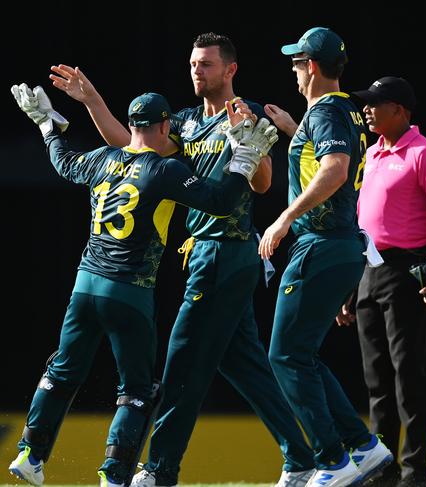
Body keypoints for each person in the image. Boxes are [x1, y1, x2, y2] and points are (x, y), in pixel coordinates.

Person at [49, 32, 316, 487]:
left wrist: (244, 140)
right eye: (193, 63)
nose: (197, 70)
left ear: (230, 69)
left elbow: (263, 184)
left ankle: (159, 469)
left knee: (181, 362)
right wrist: (92, 100)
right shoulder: (186, 122)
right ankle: (305, 458)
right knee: (245, 365)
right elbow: (133, 149)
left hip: (225, 252)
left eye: (206, 64)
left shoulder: (244, 113)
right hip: (202, 254)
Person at [8, 85, 276, 487]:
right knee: (135, 389)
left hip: (84, 287)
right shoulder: (165, 170)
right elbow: (220, 203)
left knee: (62, 373)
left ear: (131, 125)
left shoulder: (101, 158)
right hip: (129, 292)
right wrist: (243, 160)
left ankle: (30, 454)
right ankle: (114, 475)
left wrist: (47, 124)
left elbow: (63, 162)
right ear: (166, 125)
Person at [259, 27, 394, 487]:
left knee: (284, 356)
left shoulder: (328, 110)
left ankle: (332, 461)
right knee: (301, 355)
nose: (294, 70)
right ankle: (363, 446)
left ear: (311, 67)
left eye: (297, 62)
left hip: (322, 245)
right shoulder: (340, 113)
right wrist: (294, 132)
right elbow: (329, 161)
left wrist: (282, 219)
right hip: (340, 247)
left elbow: (335, 171)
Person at [334, 76, 426, 487]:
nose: (368, 109)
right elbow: (363, 225)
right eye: (367, 104)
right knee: (376, 379)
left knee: (407, 375)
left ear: (402, 111)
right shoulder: (371, 154)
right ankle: (382, 469)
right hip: (370, 271)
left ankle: (414, 472)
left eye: (377, 103)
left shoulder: (424, 154)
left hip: (406, 274)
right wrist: (351, 287)